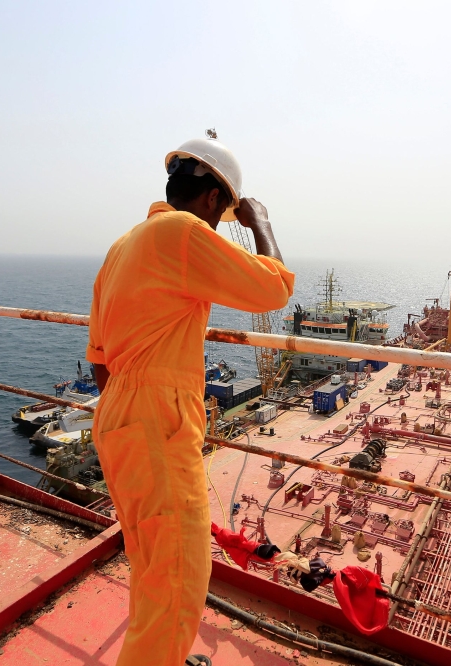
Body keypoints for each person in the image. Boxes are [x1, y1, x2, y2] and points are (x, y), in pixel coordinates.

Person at [86, 133, 294, 666]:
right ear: (212, 202)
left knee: (154, 565)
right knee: (180, 579)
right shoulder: (181, 232)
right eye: (224, 215)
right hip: (155, 419)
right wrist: (261, 223)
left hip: (117, 417)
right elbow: (273, 289)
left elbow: (99, 360)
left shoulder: (123, 244)